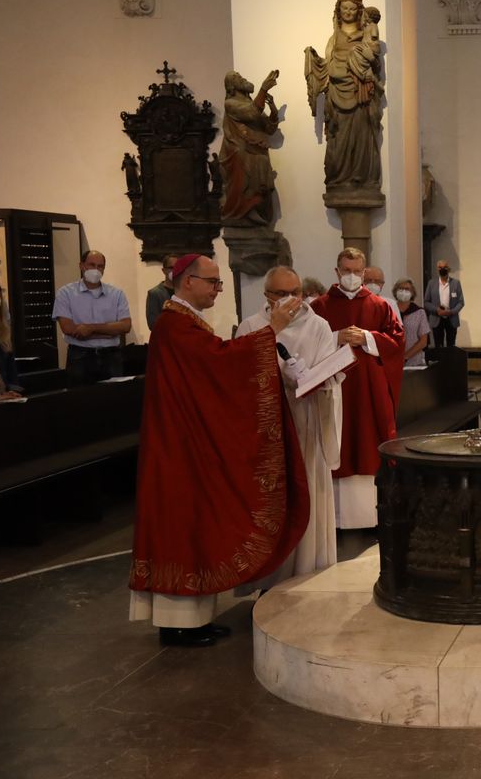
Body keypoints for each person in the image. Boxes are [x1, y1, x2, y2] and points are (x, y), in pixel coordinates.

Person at [129, 255, 310, 647]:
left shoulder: (186, 321)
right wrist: (271, 331)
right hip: (178, 447)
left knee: (197, 525)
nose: (217, 289)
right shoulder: (174, 325)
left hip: (185, 440)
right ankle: (177, 624)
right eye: (212, 282)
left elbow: (215, 366)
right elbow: (221, 364)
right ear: (188, 281)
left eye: (219, 283)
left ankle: (193, 620)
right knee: (182, 526)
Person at [236, 266, 343, 589]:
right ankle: (270, 580)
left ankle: (308, 571)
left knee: (307, 490)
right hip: (269, 426)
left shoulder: (318, 325)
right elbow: (239, 374)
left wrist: (313, 377)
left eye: (295, 292)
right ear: (267, 295)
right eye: (281, 294)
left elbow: (328, 370)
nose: (291, 300)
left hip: (307, 419)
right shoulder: (251, 326)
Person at [310, 247, 405, 530]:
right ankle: (334, 520)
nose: (351, 276)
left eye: (356, 271)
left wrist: (367, 337)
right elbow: (306, 343)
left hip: (367, 389)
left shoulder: (380, 306)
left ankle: (369, 517)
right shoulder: (320, 307)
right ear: (337, 271)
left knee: (366, 440)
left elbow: (396, 341)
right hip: (332, 388)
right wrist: (335, 337)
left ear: (364, 273)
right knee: (336, 440)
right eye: (346, 270)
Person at [304, 0, 384, 195]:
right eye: (344, 8)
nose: (348, 12)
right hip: (337, 92)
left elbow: (375, 65)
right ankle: (338, 178)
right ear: (338, 11)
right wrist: (315, 61)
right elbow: (328, 64)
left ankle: (361, 179)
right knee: (338, 136)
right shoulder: (333, 38)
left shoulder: (367, 34)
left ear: (359, 12)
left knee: (361, 135)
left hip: (360, 92)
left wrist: (367, 58)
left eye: (352, 9)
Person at [52, 250, 132, 385]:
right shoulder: (65, 293)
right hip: (79, 356)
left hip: (111, 356)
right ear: (81, 266)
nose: (96, 269)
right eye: (92, 265)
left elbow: (125, 326)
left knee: (113, 396)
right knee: (79, 396)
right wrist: (109, 332)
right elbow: (68, 328)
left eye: (100, 266)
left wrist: (90, 329)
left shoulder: (117, 294)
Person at [219, 70, 280, 225]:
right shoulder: (230, 103)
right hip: (240, 152)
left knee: (260, 183)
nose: (243, 78)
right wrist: (263, 89)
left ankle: (257, 212)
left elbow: (269, 128)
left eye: (241, 76)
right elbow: (251, 113)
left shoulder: (251, 103)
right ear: (231, 86)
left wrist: (273, 109)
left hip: (256, 150)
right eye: (237, 78)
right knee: (246, 182)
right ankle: (244, 213)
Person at [424, 259, 465, 348]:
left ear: (449, 269)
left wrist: (451, 312)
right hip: (436, 318)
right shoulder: (431, 283)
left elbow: (461, 302)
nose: (442, 269)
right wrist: (437, 310)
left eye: (445, 267)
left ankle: (450, 357)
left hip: (452, 318)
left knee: (451, 345)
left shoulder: (456, 283)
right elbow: (426, 302)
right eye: (440, 267)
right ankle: (440, 357)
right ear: (437, 269)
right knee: (438, 346)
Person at [392, 277, 431, 367]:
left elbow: (423, 341)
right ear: (396, 291)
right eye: (401, 288)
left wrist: (405, 357)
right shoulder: (390, 310)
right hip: (392, 360)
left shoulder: (419, 312)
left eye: (407, 289)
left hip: (414, 361)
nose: (403, 291)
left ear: (412, 292)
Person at [145, 254, 176, 332]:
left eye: (177, 267)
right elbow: (152, 324)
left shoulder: (185, 292)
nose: (175, 271)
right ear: (164, 270)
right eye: (171, 268)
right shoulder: (154, 293)